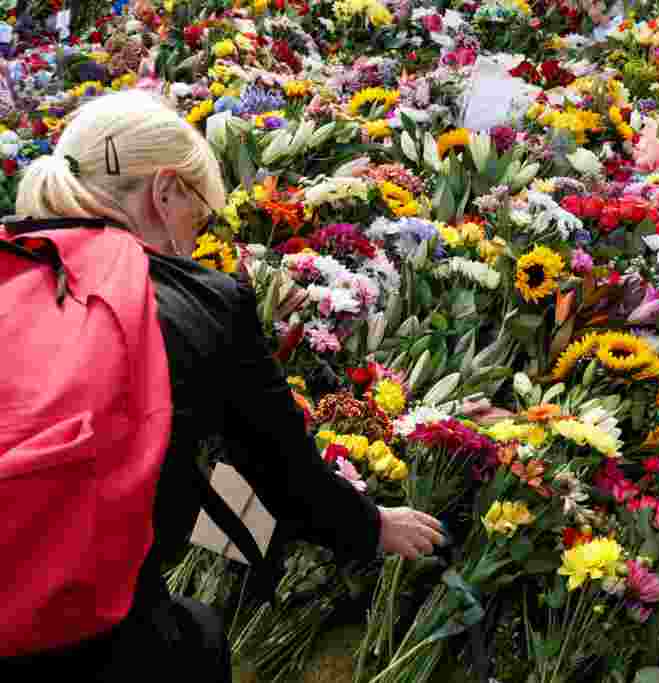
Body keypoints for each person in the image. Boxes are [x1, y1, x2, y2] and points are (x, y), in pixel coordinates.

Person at [0, 90, 444, 679]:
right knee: (197, 639)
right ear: (165, 192)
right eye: (200, 212)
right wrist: (373, 526)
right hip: (80, 629)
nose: (195, 235)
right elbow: (283, 476)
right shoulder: (194, 300)